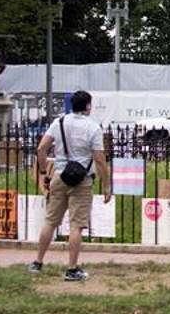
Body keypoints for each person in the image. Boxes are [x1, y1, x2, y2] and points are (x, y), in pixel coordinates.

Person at [29, 90, 111, 281]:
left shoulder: (59, 123)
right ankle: (72, 268)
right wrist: (106, 185)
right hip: (82, 179)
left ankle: (38, 262)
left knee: (50, 220)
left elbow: (41, 149)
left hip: (59, 175)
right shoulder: (93, 128)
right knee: (76, 225)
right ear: (88, 106)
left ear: (71, 105)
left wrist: (43, 173)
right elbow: (99, 159)